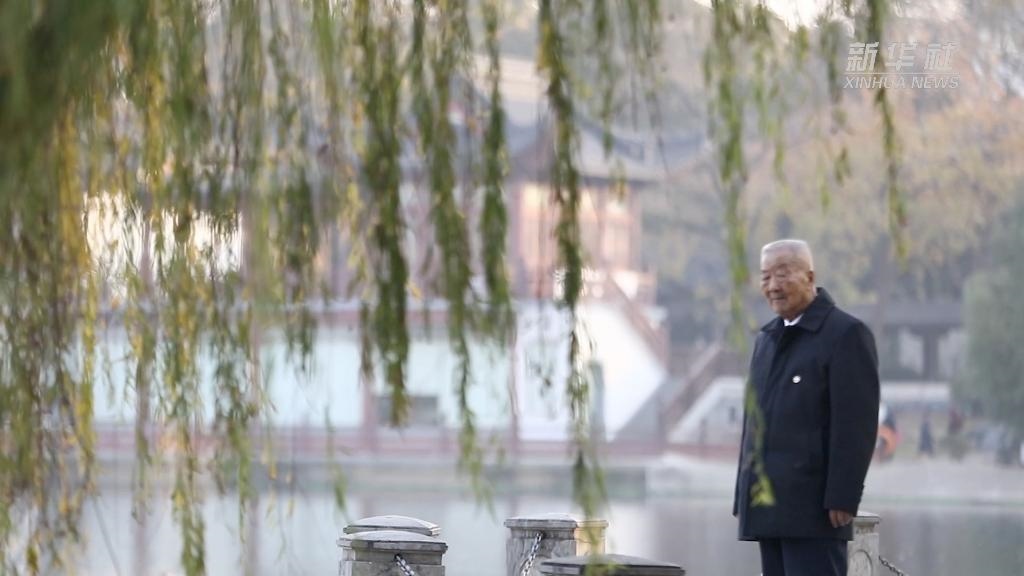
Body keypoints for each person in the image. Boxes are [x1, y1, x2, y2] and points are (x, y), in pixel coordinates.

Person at [733, 239, 880, 576]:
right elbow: (753, 424)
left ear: (810, 276)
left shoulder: (846, 334)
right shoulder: (766, 339)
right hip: (767, 504)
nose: (773, 286)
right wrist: (743, 494)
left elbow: (855, 425)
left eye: (783, 274)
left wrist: (843, 496)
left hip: (815, 508)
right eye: (765, 277)